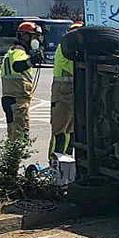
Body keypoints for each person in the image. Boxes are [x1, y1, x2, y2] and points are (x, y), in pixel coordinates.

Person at [1, 21, 44, 144]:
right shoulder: (18, 52)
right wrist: (32, 61)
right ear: (25, 37)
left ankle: (12, 161)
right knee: (18, 136)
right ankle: (13, 162)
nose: (36, 41)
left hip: (11, 98)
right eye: (34, 37)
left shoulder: (13, 51)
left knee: (14, 133)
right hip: (16, 100)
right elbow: (17, 66)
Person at [49, 21, 82, 160]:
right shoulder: (65, 47)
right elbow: (73, 68)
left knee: (69, 132)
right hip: (63, 94)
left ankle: (65, 163)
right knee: (60, 133)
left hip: (68, 94)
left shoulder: (67, 46)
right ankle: (55, 163)